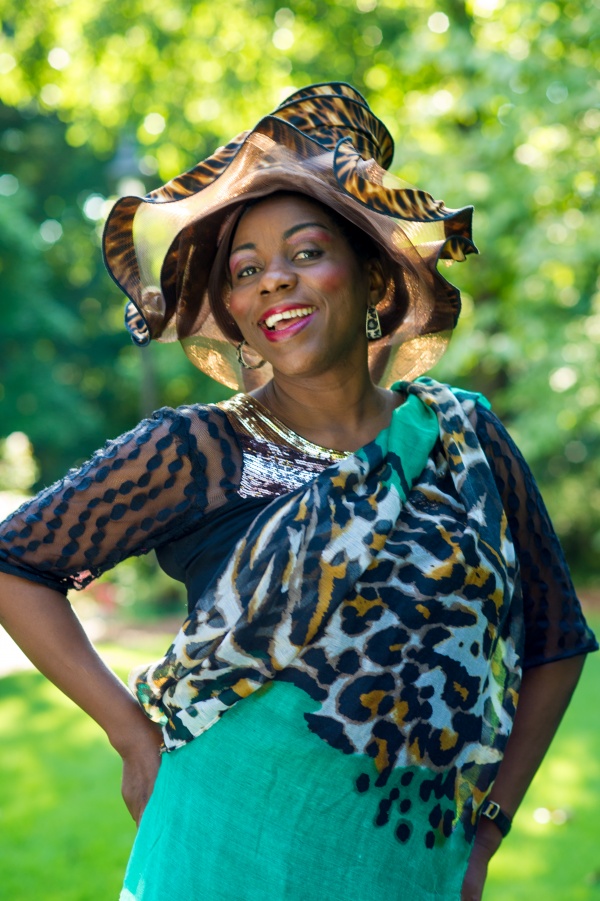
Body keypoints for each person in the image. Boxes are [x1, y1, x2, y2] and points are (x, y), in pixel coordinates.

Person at [0, 82, 596, 901]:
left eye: (306, 253)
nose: (273, 281)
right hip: (213, 856)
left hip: (407, 869)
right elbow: (17, 564)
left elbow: (557, 639)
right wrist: (131, 737)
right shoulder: (196, 450)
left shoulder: (465, 439)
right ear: (233, 310)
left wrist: (489, 826)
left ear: (374, 278)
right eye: (246, 270)